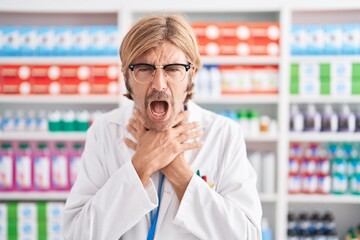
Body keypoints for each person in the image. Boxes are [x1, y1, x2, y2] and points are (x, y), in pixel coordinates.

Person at [63, 14, 262, 240]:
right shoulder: (104, 131)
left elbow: (247, 236)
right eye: (145, 68)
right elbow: (76, 235)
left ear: (191, 75)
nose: (158, 84)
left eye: (173, 68)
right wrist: (141, 165)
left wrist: (178, 172)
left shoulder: (224, 134)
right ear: (126, 76)